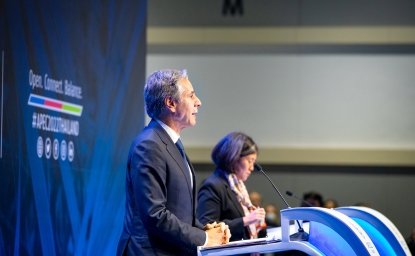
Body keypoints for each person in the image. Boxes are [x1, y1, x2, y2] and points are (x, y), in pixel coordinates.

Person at [117, 69, 230, 256]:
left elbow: (178, 211)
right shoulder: (149, 145)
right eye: (191, 95)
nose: (198, 102)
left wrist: (207, 231)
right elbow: (155, 215)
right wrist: (205, 239)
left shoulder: (171, 143)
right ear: (170, 103)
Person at [197, 132, 266, 242]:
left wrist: (258, 223)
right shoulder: (212, 185)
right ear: (234, 158)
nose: (252, 168)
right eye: (250, 161)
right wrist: (245, 220)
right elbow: (206, 226)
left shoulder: (238, 187)